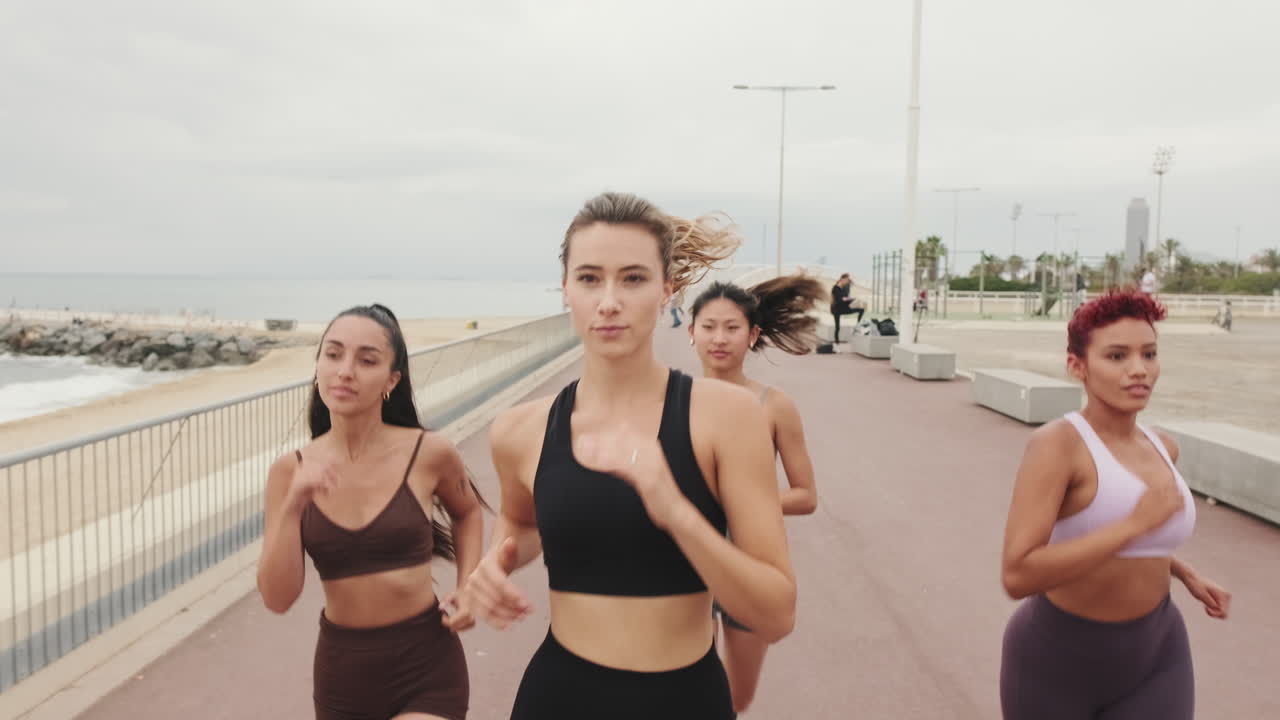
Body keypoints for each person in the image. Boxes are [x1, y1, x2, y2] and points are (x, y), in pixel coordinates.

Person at [462, 192, 797, 719]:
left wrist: (677, 513)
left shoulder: (727, 418)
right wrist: (494, 564)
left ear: (667, 289)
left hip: (685, 700)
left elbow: (776, 615)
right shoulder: (519, 430)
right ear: (566, 289)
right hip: (559, 697)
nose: (609, 301)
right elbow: (522, 525)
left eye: (633, 278)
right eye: (589, 278)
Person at [999, 289, 1230, 720]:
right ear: (1078, 366)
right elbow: (1018, 574)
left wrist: (1184, 572)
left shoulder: (1163, 447)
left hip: (1157, 655)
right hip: (1055, 663)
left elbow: (1116, 533)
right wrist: (1133, 524)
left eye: (1149, 354)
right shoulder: (1057, 446)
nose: (1139, 369)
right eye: (1117, 356)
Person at [257, 303, 487, 720]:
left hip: (427, 664)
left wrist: (468, 584)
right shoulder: (289, 471)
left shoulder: (429, 452)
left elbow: (468, 513)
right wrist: (292, 508)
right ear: (318, 367)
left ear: (391, 380)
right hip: (344, 674)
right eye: (333, 354)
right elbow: (278, 598)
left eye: (367, 360)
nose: (345, 371)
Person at [687, 276, 823, 712]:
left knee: (737, 696)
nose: (719, 338)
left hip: (753, 562)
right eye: (709, 327)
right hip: (689, 562)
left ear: (752, 335)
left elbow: (805, 495)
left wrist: (739, 504)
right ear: (691, 332)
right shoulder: (673, 402)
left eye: (732, 328)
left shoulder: (774, 405)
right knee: (692, 691)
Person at [830, 273, 864, 342]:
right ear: (842, 279)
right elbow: (841, 299)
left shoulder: (844, 288)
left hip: (844, 308)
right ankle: (836, 342)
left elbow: (846, 298)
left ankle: (857, 326)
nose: (847, 281)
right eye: (847, 280)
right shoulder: (835, 288)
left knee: (861, 310)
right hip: (836, 309)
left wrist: (852, 300)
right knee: (837, 327)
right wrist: (851, 299)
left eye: (848, 280)